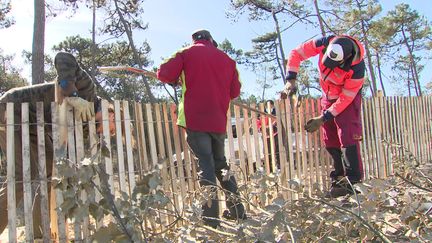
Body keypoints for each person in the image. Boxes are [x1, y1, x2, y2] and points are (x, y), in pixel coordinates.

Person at [0, 52, 116, 238]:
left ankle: (40, 235)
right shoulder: (88, 91)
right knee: (21, 178)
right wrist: (74, 95)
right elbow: (63, 57)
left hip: (33, 126)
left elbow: (66, 156)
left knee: (48, 174)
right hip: (11, 109)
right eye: (112, 129)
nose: (108, 134)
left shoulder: (85, 128)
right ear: (112, 114)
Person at [156, 29, 246, 228]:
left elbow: (163, 73)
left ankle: (211, 219)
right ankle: (238, 211)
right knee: (221, 164)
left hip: (195, 119)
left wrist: (179, 78)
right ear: (211, 41)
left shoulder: (185, 53)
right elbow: (235, 91)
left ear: (194, 40)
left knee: (205, 165)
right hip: (217, 121)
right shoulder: (228, 60)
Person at [281, 35, 365, 198]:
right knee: (330, 138)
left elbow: (346, 98)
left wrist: (323, 117)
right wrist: (291, 79)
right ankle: (339, 179)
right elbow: (296, 53)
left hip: (346, 98)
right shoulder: (325, 42)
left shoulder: (357, 69)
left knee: (347, 136)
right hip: (328, 95)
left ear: (345, 60)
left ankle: (353, 182)